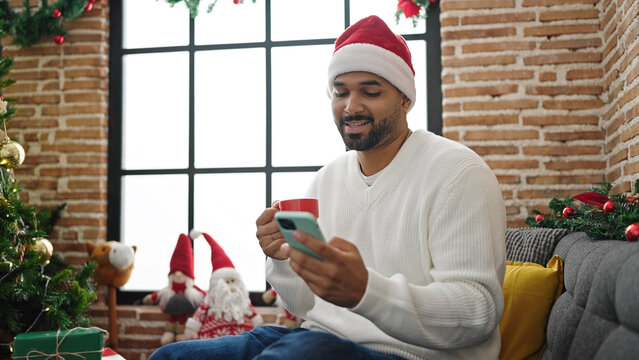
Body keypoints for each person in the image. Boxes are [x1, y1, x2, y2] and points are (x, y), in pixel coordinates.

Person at [149, 15, 506, 360]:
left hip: (410, 355)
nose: (351, 106)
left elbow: (477, 313)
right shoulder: (327, 179)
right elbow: (303, 305)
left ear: (405, 99)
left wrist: (366, 291)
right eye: (340, 92)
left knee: (303, 352)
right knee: (172, 355)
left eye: (370, 91)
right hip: (316, 338)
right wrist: (283, 260)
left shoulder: (458, 172)